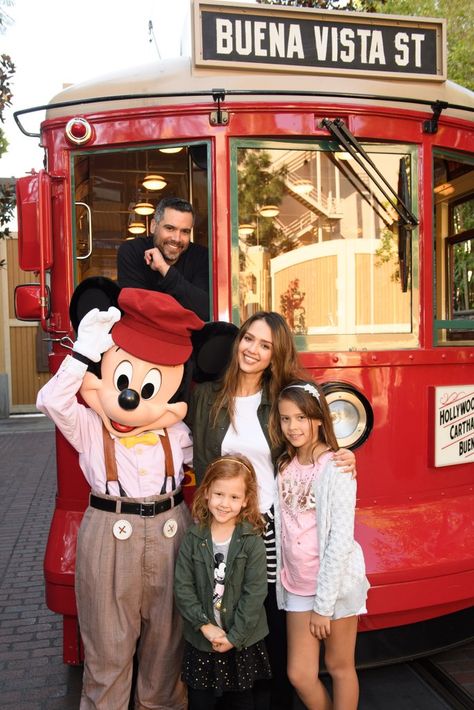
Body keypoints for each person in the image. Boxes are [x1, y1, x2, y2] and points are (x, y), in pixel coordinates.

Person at [37, 280, 204, 710]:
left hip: (172, 534)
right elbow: (51, 401)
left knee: (167, 652)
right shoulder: (90, 426)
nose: (131, 398)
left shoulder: (177, 432)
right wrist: (83, 352)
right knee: (108, 654)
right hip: (111, 532)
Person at [186, 311, 356, 710]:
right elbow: (201, 460)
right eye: (249, 338)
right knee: (226, 615)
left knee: (273, 626)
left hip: (273, 526)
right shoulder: (209, 395)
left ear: (275, 354)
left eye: (265, 345)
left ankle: (279, 702)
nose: (252, 349)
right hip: (227, 526)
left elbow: (309, 443)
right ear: (238, 340)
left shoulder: (282, 396)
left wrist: (341, 455)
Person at [270, 380, 370, 710]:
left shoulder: (337, 467)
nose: (293, 427)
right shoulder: (284, 466)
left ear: (317, 418)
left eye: (301, 418)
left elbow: (340, 541)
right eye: (285, 419)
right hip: (297, 585)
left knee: (340, 667)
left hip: (335, 585)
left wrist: (324, 607)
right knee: (299, 674)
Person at [174, 454, 271, 710]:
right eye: (219, 494)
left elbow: (255, 593)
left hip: (241, 641)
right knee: (200, 701)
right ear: (206, 493)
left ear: (246, 501)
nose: (225, 503)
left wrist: (234, 636)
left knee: (240, 702)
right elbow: (183, 588)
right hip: (203, 640)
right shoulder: (193, 538)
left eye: (234, 497)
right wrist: (204, 625)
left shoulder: (252, 541)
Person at [117, 196, 209, 320]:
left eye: (185, 232)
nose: (177, 238)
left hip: (188, 337)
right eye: (170, 228)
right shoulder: (132, 251)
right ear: (153, 226)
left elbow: (205, 311)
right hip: (144, 336)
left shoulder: (201, 256)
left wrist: (164, 268)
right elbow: (136, 310)